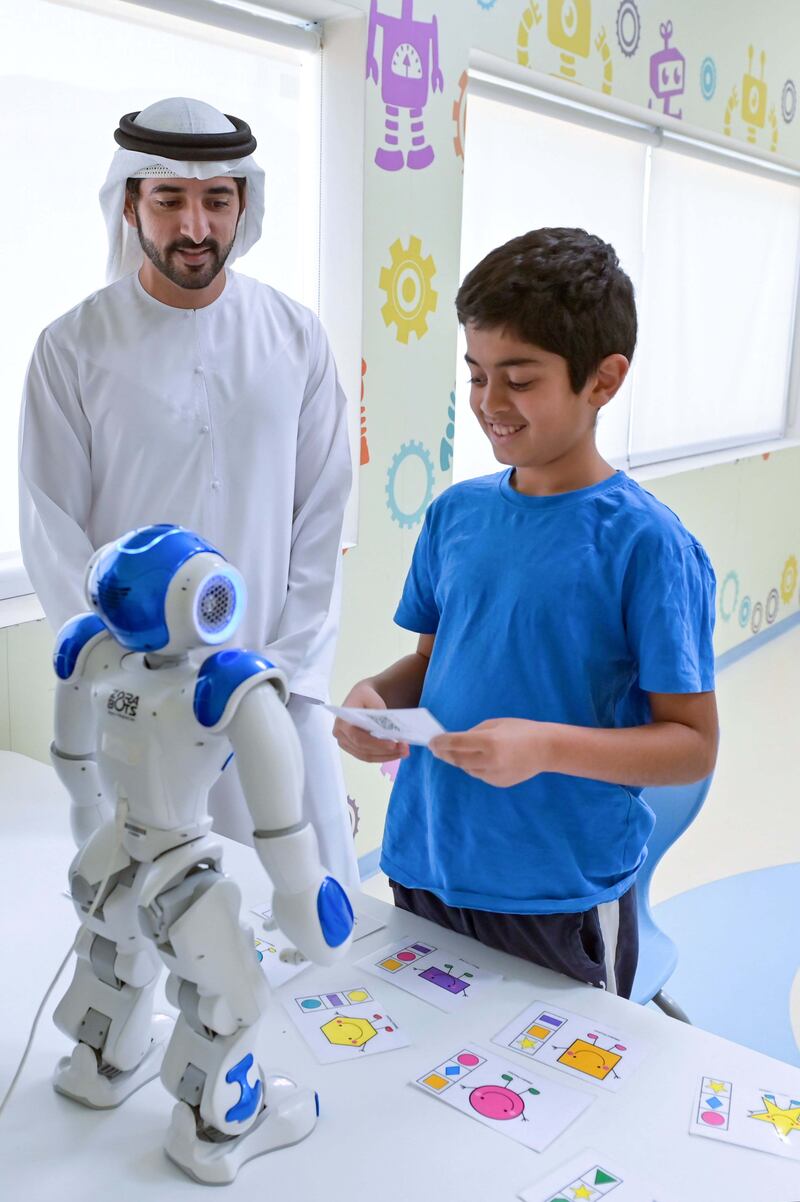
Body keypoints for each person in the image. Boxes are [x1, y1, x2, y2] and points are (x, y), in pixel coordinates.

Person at [333, 227, 718, 997]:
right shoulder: (455, 515)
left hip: (556, 896)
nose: (488, 403)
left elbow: (690, 746)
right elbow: (430, 662)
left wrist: (545, 746)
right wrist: (375, 698)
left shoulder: (648, 546)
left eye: (519, 378)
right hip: (424, 864)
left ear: (602, 381)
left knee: (549, 1104)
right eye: (476, 374)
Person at [19, 97, 357, 885]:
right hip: (141, 713)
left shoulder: (296, 337)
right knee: (153, 933)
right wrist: (126, 677)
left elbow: (321, 517)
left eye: (217, 199)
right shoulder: (73, 349)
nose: (195, 227)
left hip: (275, 696)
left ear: (246, 204)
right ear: (131, 202)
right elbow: (54, 531)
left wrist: (284, 671)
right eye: (169, 199)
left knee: (306, 928)